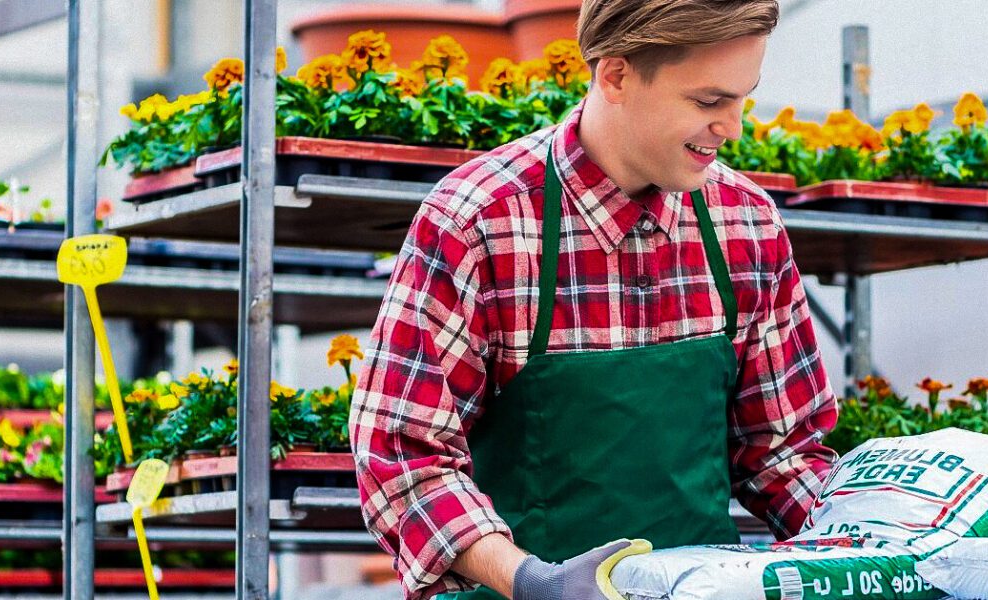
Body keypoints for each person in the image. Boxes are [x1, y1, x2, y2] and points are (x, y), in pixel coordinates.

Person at [350, 0, 837, 598]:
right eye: (708, 102)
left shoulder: (747, 224)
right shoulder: (483, 220)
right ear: (615, 75)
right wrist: (532, 581)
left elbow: (782, 454)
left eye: (743, 98)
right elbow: (401, 453)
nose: (733, 128)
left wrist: (888, 538)